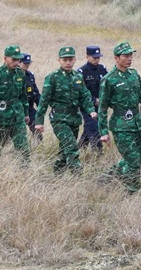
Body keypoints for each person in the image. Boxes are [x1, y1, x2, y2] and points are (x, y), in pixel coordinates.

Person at [97, 41, 141, 193]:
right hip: (121, 127)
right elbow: (102, 108)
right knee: (132, 161)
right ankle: (133, 192)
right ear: (116, 58)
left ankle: (107, 177)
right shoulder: (109, 79)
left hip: (137, 124)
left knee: (137, 159)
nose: (129, 58)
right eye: (125, 55)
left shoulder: (134, 75)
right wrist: (104, 131)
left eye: (131, 55)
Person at [36, 46, 98, 175]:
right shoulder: (52, 77)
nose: (68, 62)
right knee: (71, 146)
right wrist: (39, 121)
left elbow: (85, 95)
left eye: (70, 60)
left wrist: (91, 110)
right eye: (65, 60)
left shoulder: (78, 77)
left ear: (75, 60)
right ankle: (78, 175)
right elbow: (44, 101)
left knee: (65, 149)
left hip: (74, 118)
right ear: (59, 60)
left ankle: (57, 174)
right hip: (59, 119)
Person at [0, 45, 31, 161]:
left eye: (18, 59)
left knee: (23, 148)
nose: (16, 62)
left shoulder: (20, 74)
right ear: (5, 58)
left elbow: (23, 95)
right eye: (13, 59)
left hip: (18, 115)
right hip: (2, 116)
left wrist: (26, 113)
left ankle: (24, 171)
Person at [77, 46, 107, 151]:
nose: (97, 60)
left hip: (101, 105)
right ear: (87, 57)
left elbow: (107, 86)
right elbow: (81, 92)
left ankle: (80, 148)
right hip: (86, 106)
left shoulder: (102, 69)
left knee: (89, 128)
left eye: (98, 57)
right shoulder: (81, 72)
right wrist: (94, 100)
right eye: (94, 58)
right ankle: (97, 153)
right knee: (95, 129)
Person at [19, 53, 43, 144]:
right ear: (19, 63)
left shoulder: (30, 75)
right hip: (19, 107)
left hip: (29, 107)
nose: (27, 65)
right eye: (25, 63)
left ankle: (39, 146)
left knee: (37, 127)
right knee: (17, 132)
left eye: (28, 63)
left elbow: (35, 91)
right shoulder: (15, 76)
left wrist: (40, 104)